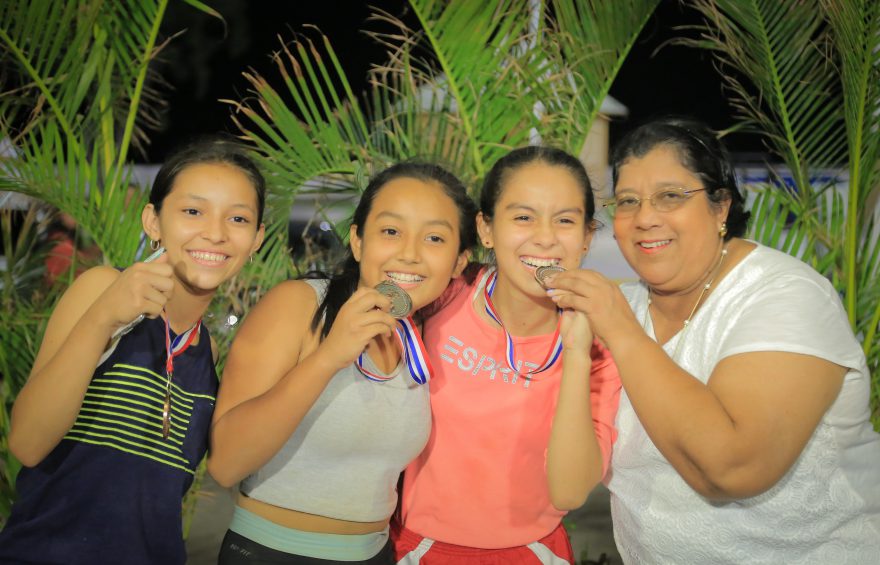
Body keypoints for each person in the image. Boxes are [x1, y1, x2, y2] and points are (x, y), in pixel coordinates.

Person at [548, 116, 880, 563]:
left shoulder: (784, 295)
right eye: (627, 201)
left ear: (720, 207)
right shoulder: (622, 307)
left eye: (670, 196)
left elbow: (733, 469)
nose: (645, 218)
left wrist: (621, 328)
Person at [0, 138, 266, 565]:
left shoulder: (207, 350)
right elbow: (27, 443)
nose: (216, 233)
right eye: (193, 211)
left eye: (238, 218)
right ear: (153, 221)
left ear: (256, 240)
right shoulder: (102, 289)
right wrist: (103, 319)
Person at [208, 161, 477, 564]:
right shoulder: (301, 304)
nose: (409, 253)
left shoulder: (426, 336)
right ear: (358, 241)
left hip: (375, 554)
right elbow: (226, 464)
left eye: (434, 238)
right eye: (391, 231)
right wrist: (328, 357)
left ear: (458, 262)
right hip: (273, 552)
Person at [393, 146, 620, 564]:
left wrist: (575, 354)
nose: (545, 237)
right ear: (486, 229)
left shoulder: (600, 347)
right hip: (416, 549)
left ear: (587, 236)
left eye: (565, 220)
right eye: (523, 217)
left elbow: (570, 492)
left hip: (532, 553)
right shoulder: (443, 296)